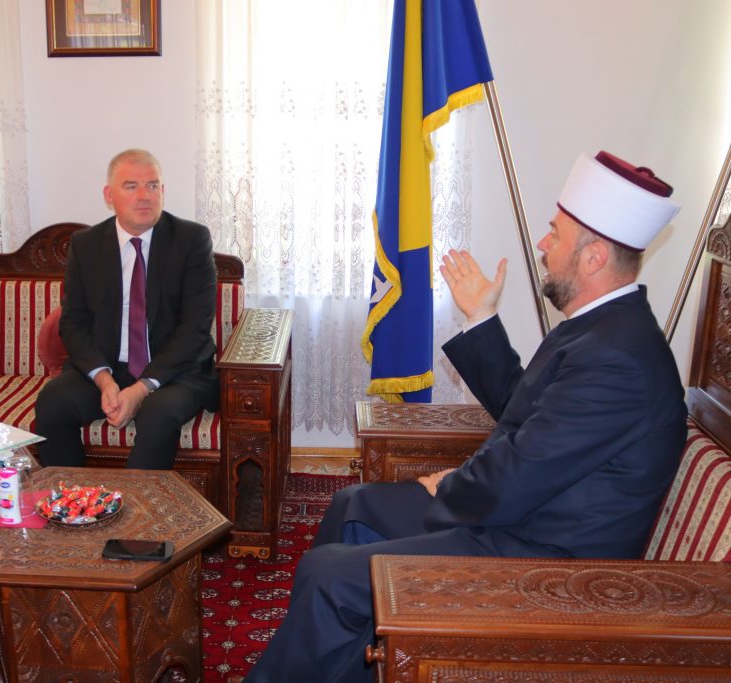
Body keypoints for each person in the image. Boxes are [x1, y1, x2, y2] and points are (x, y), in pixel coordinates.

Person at [240, 151, 687, 683]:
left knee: (328, 576)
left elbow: (517, 475)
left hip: (547, 562)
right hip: (525, 516)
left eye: (555, 234)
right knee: (352, 504)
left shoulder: (618, 358)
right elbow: (527, 409)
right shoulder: (603, 328)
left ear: (593, 258)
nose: (543, 244)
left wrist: (448, 486)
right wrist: (481, 318)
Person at [34, 149, 219, 469]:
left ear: (163, 191)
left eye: (153, 185)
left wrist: (142, 388)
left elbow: (195, 329)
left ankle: (138, 503)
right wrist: (105, 381)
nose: (144, 195)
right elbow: (73, 324)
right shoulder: (86, 245)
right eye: (131, 186)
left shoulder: (191, 240)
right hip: (109, 367)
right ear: (109, 196)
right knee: (53, 401)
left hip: (176, 372)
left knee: (157, 414)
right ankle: (70, 495)